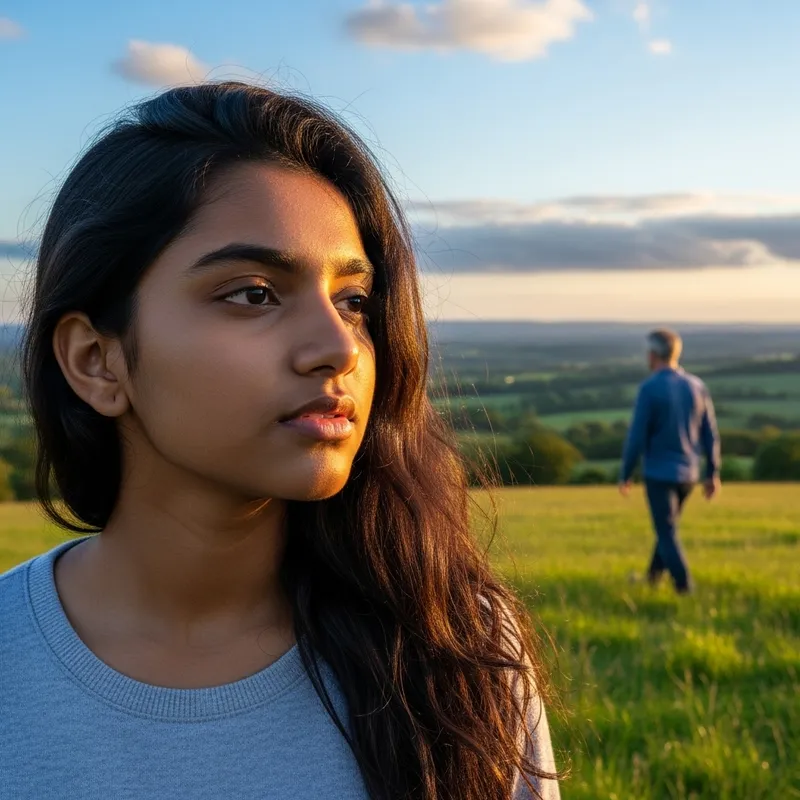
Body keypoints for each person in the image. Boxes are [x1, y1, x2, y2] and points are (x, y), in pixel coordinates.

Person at [0, 82, 560, 799]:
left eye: (353, 301)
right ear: (95, 361)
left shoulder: (453, 648)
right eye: (253, 293)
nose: (338, 347)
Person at [618, 328, 721, 595]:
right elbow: (710, 433)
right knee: (667, 529)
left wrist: (625, 473)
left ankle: (684, 586)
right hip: (688, 474)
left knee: (666, 532)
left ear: (653, 355)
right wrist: (713, 473)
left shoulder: (649, 388)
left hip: (659, 474)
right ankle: (651, 580)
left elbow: (636, 436)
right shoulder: (697, 386)